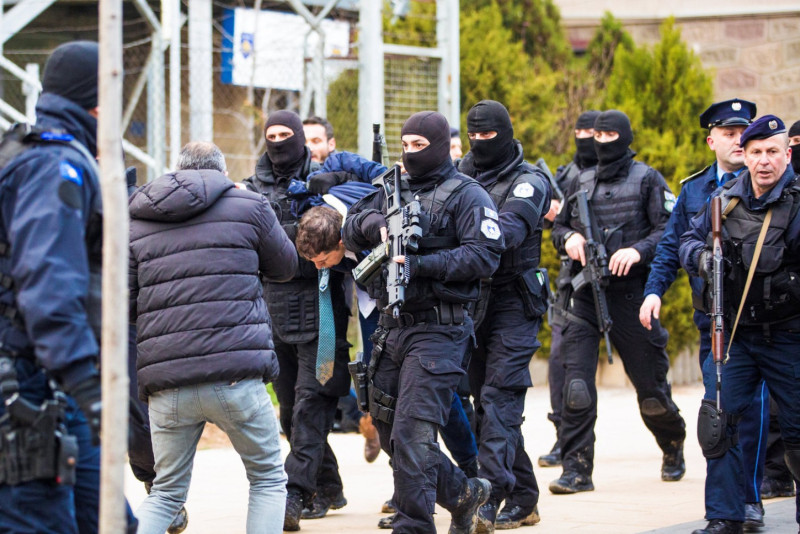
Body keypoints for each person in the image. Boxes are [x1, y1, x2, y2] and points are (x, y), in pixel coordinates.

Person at [343, 110, 504, 534]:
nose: (411, 153)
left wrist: (421, 265)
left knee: (414, 434)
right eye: (406, 145)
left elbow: (485, 255)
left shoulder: (467, 194)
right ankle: (464, 495)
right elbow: (350, 225)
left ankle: (413, 525)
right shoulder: (391, 188)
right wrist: (377, 224)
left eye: (420, 145)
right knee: (389, 431)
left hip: (439, 329)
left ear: (441, 146)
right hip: (392, 327)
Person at [0, 40, 137, 534]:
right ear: (98, 102)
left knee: (110, 520)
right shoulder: (55, 164)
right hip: (28, 382)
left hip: (51, 378)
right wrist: (88, 386)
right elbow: (49, 283)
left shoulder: (40, 153)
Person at [129, 142, 295, 533]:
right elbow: (286, 267)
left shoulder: (138, 217)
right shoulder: (249, 206)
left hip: (166, 380)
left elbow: (127, 300)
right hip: (235, 373)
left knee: (166, 493)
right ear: (222, 173)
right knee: (268, 478)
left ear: (177, 169)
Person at [639, 98, 773, 528]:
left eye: (744, 132)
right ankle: (727, 510)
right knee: (719, 413)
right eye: (729, 133)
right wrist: (653, 292)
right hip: (714, 321)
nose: (738, 140)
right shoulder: (695, 190)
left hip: (764, 322)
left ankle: (750, 498)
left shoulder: (767, 183)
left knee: (754, 413)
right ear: (712, 140)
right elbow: (670, 247)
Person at [550, 109, 687, 494]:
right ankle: (576, 470)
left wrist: (638, 251)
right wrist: (568, 238)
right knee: (576, 388)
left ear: (625, 138)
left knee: (651, 390)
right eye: (598, 136)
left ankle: (672, 442)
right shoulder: (580, 179)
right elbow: (560, 225)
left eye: (611, 136)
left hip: (631, 296)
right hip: (584, 295)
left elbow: (670, 229)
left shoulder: (647, 179)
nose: (603, 143)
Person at [679, 115, 800, 534]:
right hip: (735, 337)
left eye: (772, 152)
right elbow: (687, 240)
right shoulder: (723, 199)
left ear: (787, 155)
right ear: (744, 156)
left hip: (789, 335)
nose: (764, 160)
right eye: (756, 152)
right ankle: (724, 516)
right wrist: (701, 258)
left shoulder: (797, 202)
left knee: (798, 431)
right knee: (718, 425)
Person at [243, 110, 352, 530]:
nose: (277, 141)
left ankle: (295, 493)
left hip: (321, 310)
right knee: (290, 410)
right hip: (272, 311)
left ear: (300, 138)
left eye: (285, 134)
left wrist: (277, 242)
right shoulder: (251, 189)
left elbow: (334, 238)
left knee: (311, 402)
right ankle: (328, 486)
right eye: (270, 135)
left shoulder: (326, 180)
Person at [457, 100, 550, 532]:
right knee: (486, 408)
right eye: (473, 135)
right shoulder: (460, 174)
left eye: (488, 135)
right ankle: (525, 497)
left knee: (499, 401)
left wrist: (462, 234)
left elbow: (508, 231)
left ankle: (488, 499)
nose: (480, 142)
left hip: (515, 301)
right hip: (473, 302)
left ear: (506, 133)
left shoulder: (530, 181)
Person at [539, 109, 600, 469]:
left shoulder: (624, 176)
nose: (585, 138)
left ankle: (669, 432)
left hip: (618, 280)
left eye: (593, 132)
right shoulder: (563, 176)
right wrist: (552, 214)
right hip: (572, 281)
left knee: (647, 371)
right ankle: (564, 437)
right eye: (580, 132)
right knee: (561, 362)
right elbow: (549, 227)